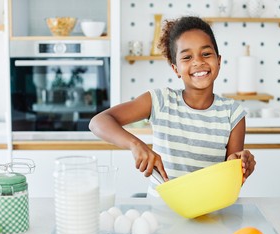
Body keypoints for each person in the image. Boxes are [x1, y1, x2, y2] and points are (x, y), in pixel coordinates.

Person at [90, 16, 256, 194]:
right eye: (187, 57)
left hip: (210, 215)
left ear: (219, 60)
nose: (198, 61)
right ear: (175, 68)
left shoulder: (232, 113)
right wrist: (135, 144)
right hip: (161, 214)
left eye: (206, 54)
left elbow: (230, 184)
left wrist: (240, 167)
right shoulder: (160, 101)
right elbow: (98, 122)